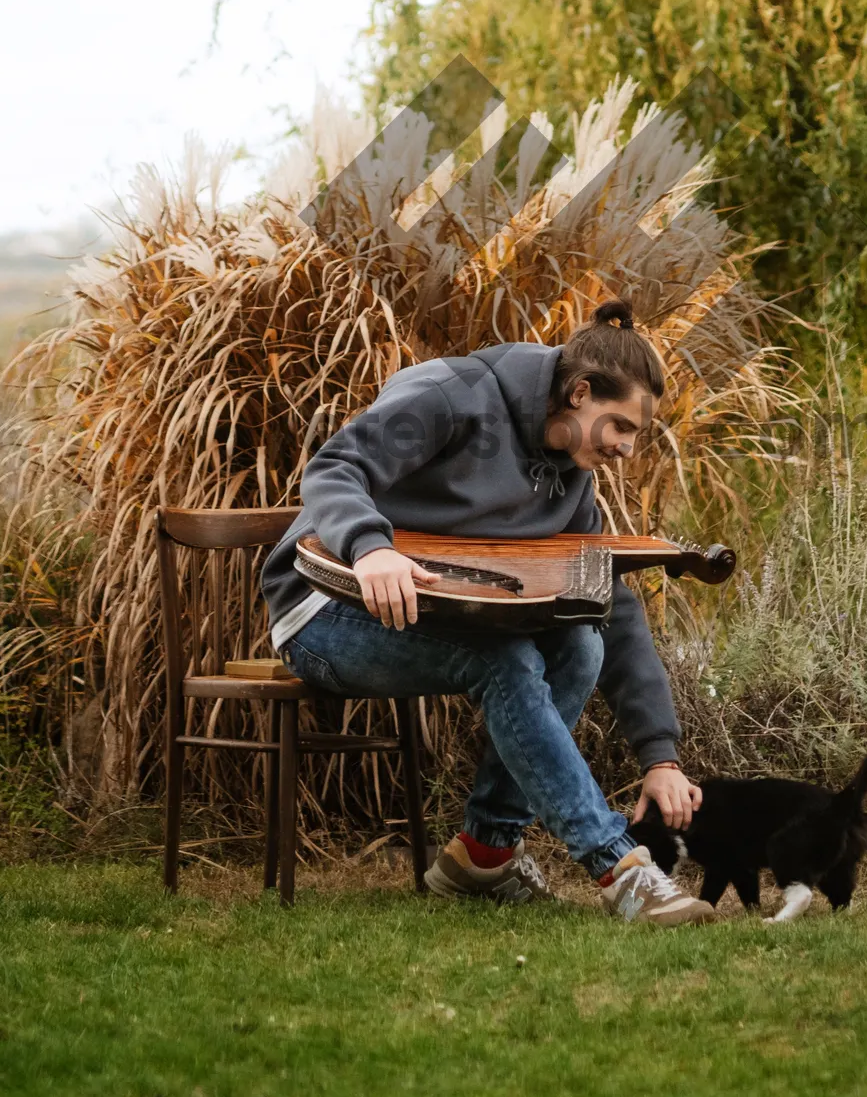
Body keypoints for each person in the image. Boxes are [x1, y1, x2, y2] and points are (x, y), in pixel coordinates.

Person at [261, 298, 715, 926]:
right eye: (622, 427)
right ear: (579, 392)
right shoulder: (450, 394)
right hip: (323, 613)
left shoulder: (571, 479)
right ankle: (621, 869)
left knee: (581, 643)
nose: (627, 450)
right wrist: (371, 549)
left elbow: (613, 603)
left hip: (430, 620)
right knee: (501, 659)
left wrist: (660, 756)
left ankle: (482, 853)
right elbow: (336, 467)